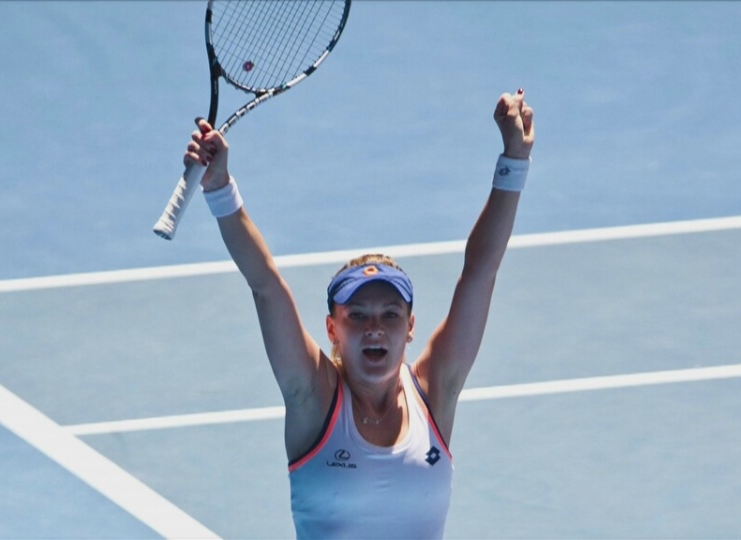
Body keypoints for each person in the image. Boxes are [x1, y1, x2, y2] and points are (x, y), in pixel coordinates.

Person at [186, 89, 534, 539]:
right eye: (358, 314)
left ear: (410, 328)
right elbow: (266, 286)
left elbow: (480, 272)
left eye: (390, 314)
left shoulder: (436, 391)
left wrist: (514, 160)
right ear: (332, 329)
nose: (375, 327)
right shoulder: (313, 398)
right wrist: (220, 189)